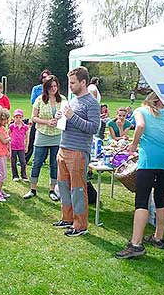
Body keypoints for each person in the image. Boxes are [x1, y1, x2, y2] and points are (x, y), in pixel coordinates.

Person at [115, 92, 164, 259]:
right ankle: (158, 238)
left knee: (141, 201)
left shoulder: (141, 111)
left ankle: (136, 244)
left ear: (151, 98)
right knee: (160, 198)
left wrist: (133, 145)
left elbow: (139, 127)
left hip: (149, 161)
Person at [53, 66, 100, 237]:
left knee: (78, 189)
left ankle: (80, 225)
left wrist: (72, 116)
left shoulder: (92, 103)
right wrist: (61, 117)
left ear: (83, 82)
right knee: (64, 186)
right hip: (63, 148)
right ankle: (67, 218)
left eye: (73, 82)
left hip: (78, 151)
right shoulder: (72, 101)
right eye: (69, 82)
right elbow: (69, 120)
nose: (70, 85)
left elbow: (94, 128)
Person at [24, 75, 66, 201]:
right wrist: (47, 122)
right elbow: (33, 118)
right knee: (37, 162)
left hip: (57, 136)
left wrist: (59, 120)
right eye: (51, 86)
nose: (53, 88)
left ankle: (52, 190)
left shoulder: (62, 99)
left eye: (55, 86)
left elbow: (66, 117)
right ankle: (32, 189)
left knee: (54, 164)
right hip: (42, 134)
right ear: (46, 88)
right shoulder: (39, 99)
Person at [26, 69, 52, 164]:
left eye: (47, 77)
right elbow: (33, 102)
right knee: (32, 137)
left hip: (47, 117)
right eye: (44, 77)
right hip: (38, 115)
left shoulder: (52, 89)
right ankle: (26, 158)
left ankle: (43, 159)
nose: (45, 79)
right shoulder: (36, 89)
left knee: (46, 138)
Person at [9, 109, 29, 182]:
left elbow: (27, 137)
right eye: (16, 117)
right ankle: (15, 175)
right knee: (13, 161)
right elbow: (8, 134)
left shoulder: (25, 127)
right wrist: (9, 145)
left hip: (21, 147)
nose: (18, 119)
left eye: (20, 117)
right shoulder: (11, 126)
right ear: (14, 118)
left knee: (23, 161)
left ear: (22, 118)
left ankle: (24, 175)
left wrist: (26, 146)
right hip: (13, 147)